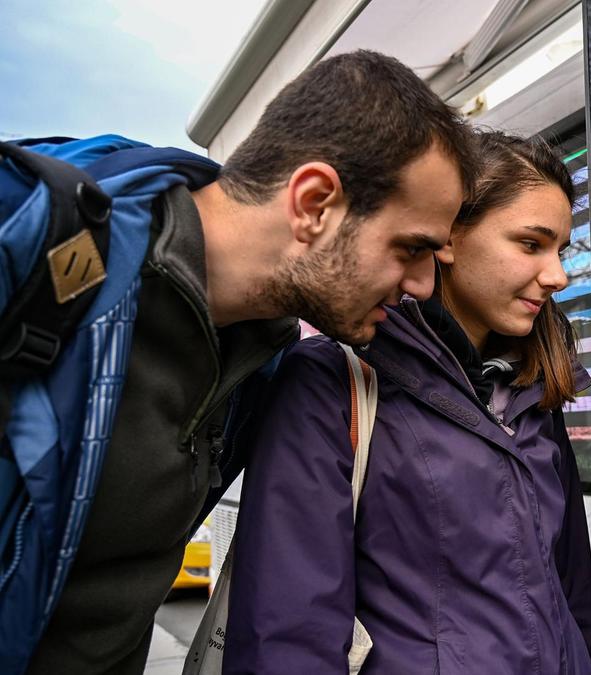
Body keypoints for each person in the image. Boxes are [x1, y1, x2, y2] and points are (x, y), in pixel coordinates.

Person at [5, 50, 476, 674]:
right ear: (313, 203)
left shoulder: (265, 360)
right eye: (410, 248)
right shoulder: (37, 256)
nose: (420, 284)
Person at [224, 131, 591, 674]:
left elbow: (571, 598)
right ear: (448, 236)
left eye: (561, 250)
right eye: (530, 244)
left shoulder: (534, 389)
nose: (558, 276)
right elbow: (287, 632)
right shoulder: (333, 381)